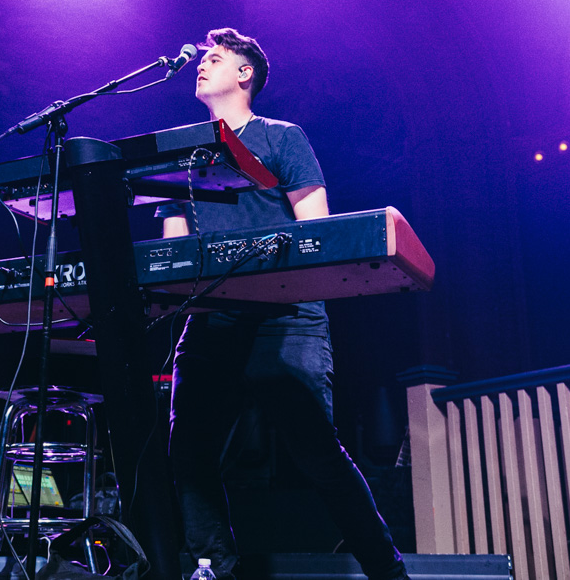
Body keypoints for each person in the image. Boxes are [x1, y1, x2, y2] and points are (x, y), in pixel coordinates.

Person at [158, 28, 409, 580]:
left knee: (317, 452)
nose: (201, 65)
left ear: (245, 73)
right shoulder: (182, 154)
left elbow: (315, 230)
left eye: (215, 58)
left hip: (287, 315)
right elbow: (173, 253)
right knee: (189, 453)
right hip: (212, 318)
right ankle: (215, 569)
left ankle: (387, 573)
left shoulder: (281, 137)